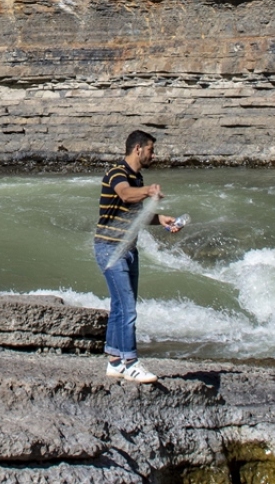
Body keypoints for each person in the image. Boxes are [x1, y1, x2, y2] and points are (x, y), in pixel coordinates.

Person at [93, 129, 181, 383]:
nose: (154, 154)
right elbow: (124, 194)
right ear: (138, 149)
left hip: (128, 249)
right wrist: (147, 192)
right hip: (110, 248)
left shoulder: (138, 178)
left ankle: (114, 361)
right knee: (128, 307)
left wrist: (160, 218)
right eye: (151, 149)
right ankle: (131, 363)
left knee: (120, 306)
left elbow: (136, 215)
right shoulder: (117, 173)